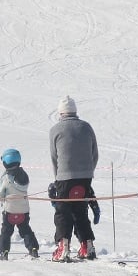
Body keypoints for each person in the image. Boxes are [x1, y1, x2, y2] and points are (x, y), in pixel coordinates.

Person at [49, 95, 99, 261]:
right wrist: (88, 171)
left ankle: (63, 246)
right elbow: (94, 153)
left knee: (63, 212)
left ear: (61, 113)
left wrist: (58, 177)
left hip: (64, 177)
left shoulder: (55, 130)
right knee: (80, 210)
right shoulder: (86, 127)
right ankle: (87, 245)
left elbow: (54, 157)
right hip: (85, 177)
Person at [0, 149, 40, 260]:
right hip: (23, 211)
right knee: (25, 230)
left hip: (9, 211)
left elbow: (0, 194)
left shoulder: (6, 178)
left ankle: (2, 251)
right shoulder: (24, 176)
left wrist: (2, 198)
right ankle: (33, 248)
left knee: (6, 231)